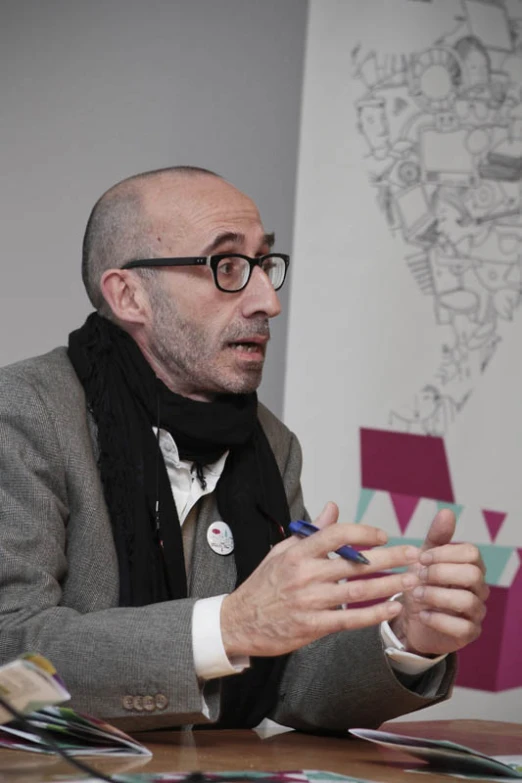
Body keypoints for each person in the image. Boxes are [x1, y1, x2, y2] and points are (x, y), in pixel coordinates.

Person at [0, 166, 487, 733]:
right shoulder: (24, 413)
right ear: (130, 294)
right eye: (226, 266)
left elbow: (288, 677)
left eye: (263, 265)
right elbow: (10, 652)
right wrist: (229, 626)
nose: (267, 301)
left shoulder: (270, 444)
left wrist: (407, 637)